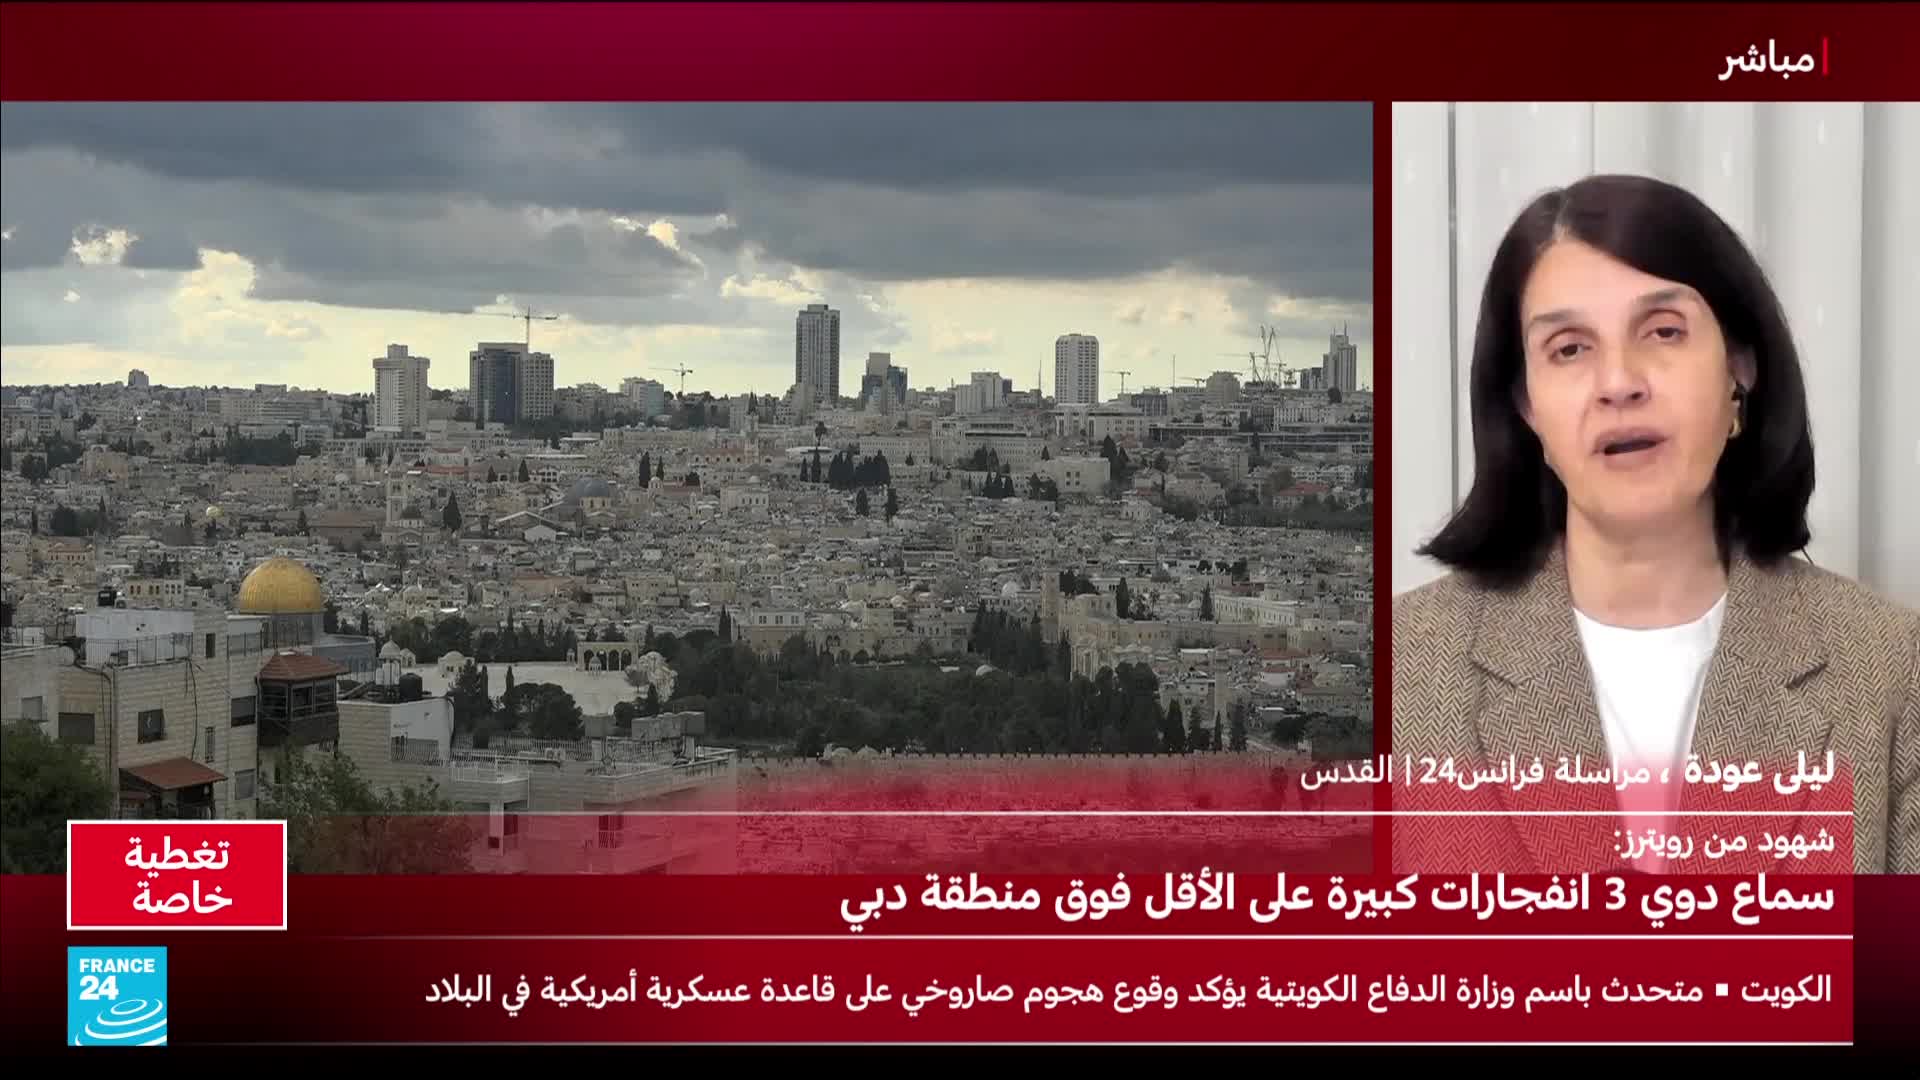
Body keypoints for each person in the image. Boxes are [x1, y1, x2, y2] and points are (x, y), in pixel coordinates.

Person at [1392, 174, 1918, 875]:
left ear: (1740, 366)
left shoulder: (1887, 668)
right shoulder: (1403, 673)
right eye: (1569, 349)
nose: (1619, 381)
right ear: (1526, 406)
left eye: (1663, 332)